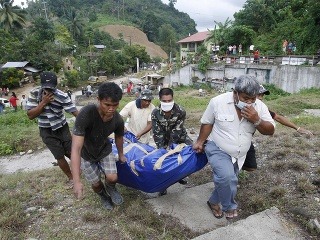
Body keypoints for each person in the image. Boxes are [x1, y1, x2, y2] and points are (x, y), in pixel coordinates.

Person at [192, 75, 275, 220]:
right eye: (245, 98)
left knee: (228, 181)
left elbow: (270, 131)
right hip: (217, 147)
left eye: (252, 99)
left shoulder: (260, 107)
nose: (249, 102)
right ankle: (229, 207)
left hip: (240, 153)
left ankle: (212, 202)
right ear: (235, 92)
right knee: (227, 177)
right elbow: (207, 123)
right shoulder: (217, 102)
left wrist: (257, 120)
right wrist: (200, 141)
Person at [71, 82, 126, 210]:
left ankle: (111, 188)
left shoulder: (117, 119)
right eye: (107, 104)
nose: (111, 109)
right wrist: (76, 181)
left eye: (115, 105)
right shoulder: (86, 114)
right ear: (98, 100)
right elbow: (76, 148)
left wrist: (121, 154)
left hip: (104, 150)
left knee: (112, 178)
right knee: (96, 184)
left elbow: (119, 137)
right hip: (87, 154)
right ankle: (103, 196)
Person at [242, 85, 313, 171]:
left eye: (262, 95)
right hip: (230, 137)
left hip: (246, 139)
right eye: (258, 95)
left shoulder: (261, 109)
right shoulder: (237, 105)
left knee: (251, 167)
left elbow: (278, 117)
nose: (260, 98)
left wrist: (297, 128)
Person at [26, 71, 78, 186]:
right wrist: (43, 103)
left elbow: (75, 113)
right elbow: (30, 115)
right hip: (46, 130)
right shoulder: (34, 94)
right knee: (59, 155)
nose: (49, 91)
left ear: (55, 86)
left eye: (51, 89)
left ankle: (79, 170)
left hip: (62, 127)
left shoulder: (62, 96)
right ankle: (71, 177)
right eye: (46, 88)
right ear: (41, 85)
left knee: (70, 152)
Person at [151, 88, 192, 192]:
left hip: (179, 137)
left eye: (169, 100)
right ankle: (163, 185)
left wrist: (172, 148)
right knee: (163, 160)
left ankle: (180, 176)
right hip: (163, 138)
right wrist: (163, 150)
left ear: (173, 98)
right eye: (164, 101)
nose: (167, 103)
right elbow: (157, 133)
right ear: (160, 99)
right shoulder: (155, 113)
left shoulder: (180, 111)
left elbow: (177, 131)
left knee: (185, 155)